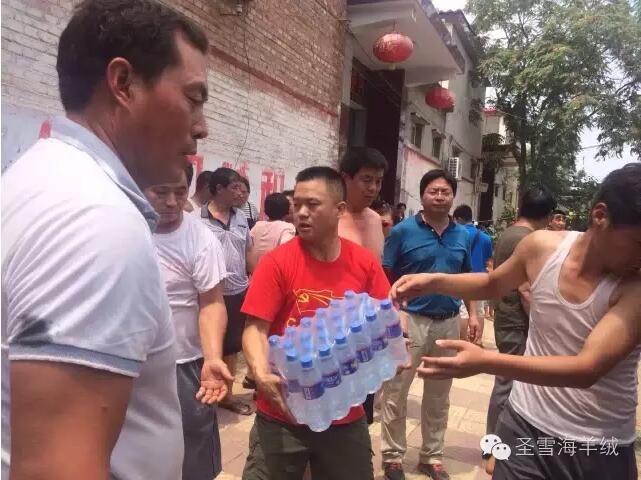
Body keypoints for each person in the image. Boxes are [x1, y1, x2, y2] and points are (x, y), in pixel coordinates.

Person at [1, 1, 209, 478]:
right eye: (193, 98)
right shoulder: (96, 221)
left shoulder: (36, 178)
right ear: (123, 83)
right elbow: (55, 470)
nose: (202, 126)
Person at [391, 163, 641, 480]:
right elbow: (493, 283)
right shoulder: (542, 247)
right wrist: (434, 281)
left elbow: (586, 368)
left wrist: (485, 361)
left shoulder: (635, 288)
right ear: (600, 216)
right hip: (525, 426)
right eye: (639, 244)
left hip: (598, 445)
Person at [241, 166, 392, 480]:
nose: (301, 213)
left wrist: (391, 349)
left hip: (344, 413)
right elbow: (255, 328)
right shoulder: (277, 263)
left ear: (339, 209)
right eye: (297, 205)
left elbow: (382, 322)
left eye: (312, 204)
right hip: (283, 413)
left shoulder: (363, 264)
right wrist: (259, 370)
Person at [381, 169, 480, 480]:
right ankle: (393, 456)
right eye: (433, 191)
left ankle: (432, 456)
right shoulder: (402, 232)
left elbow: (468, 278)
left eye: (445, 192)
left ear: (453, 197)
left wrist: (473, 314)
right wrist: (392, 317)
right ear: (422, 195)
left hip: (447, 323)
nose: (439, 197)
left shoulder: (463, 235)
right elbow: (385, 277)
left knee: (439, 395)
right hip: (409, 322)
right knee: (396, 391)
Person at [145, 163, 231, 480]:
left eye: (180, 193)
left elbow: (212, 303)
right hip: (130, 362)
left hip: (185, 364)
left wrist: (212, 358)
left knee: (193, 441)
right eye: (161, 192)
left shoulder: (200, 238)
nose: (172, 202)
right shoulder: (123, 230)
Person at [478, 185, 556, 445]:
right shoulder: (529, 239)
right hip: (517, 321)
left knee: (509, 380)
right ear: (547, 215)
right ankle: (495, 443)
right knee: (508, 383)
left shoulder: (510, 233)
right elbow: (525, 289)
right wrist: (541, 321)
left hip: (507, 316)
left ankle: (499, 440)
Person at [196, 167, 254, 416]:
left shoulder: (240, 218)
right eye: (234, 188)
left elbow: (248, 251)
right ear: (219, 189)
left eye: (241, 188)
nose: (240, 193)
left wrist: (255, 279)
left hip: (237, 289)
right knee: (204, 343)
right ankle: (203, 389)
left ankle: (226, 396)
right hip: (207, 291)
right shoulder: (197, 220)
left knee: (231, 345)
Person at [337, 146, 388, 424]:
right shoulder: (329, 218)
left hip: (366, 328)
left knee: (360, 412)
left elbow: (377, 274)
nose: (373, 188)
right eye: (366, 179)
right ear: (346, 177)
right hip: (332, 327)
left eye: (378, 181)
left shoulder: (375, 220)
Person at [453, 204, 493, 343]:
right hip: (480, 279)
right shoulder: (486, 238)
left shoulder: (457, 235)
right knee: (479, 311)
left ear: (459, 218)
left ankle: (463, 340)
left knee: (464, 312)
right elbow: (488, 261)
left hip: (462, 278)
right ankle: (477, 340)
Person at [247, 192, 296, 273]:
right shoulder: (287, 227)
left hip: (254, 275)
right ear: (287, 210)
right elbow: (286, 252)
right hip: (273, 275)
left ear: (265, 209)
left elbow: (248, 249)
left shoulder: (257, 225)